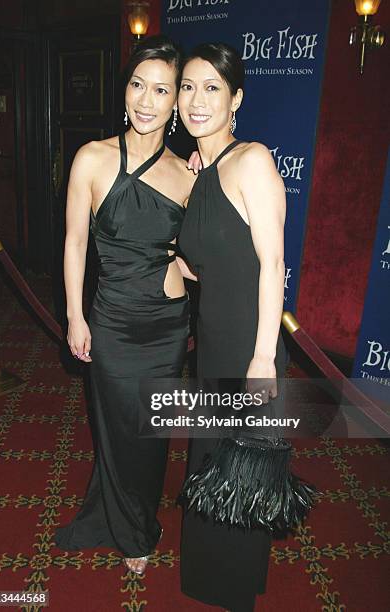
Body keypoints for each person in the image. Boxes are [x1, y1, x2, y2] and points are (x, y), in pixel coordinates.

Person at [53, 35, 195, 576]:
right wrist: (74, 315)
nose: (146, 99)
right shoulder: (91, 157)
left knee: (151, 435)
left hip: (164, 326)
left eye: (161, 89)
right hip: (110, 320)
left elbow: (194, 261)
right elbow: (74, 245)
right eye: (138, 84)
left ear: (176, 103)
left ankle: (134, 514)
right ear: (125, 89)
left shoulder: (188, 175)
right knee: (115, 429)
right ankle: (133, 530)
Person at [177, 42, 287, 611]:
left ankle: (237, 596)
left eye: (212, 88)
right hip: (214, 348)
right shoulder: (200, 171)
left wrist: (263, 361)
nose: (197, 100)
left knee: (242, 481)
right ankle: (210, 583)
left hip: (250, 350)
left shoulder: (252, 161)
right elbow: (201, 264)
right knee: (211, 470)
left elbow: (273, 263)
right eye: (188, 87)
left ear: (236, 98)